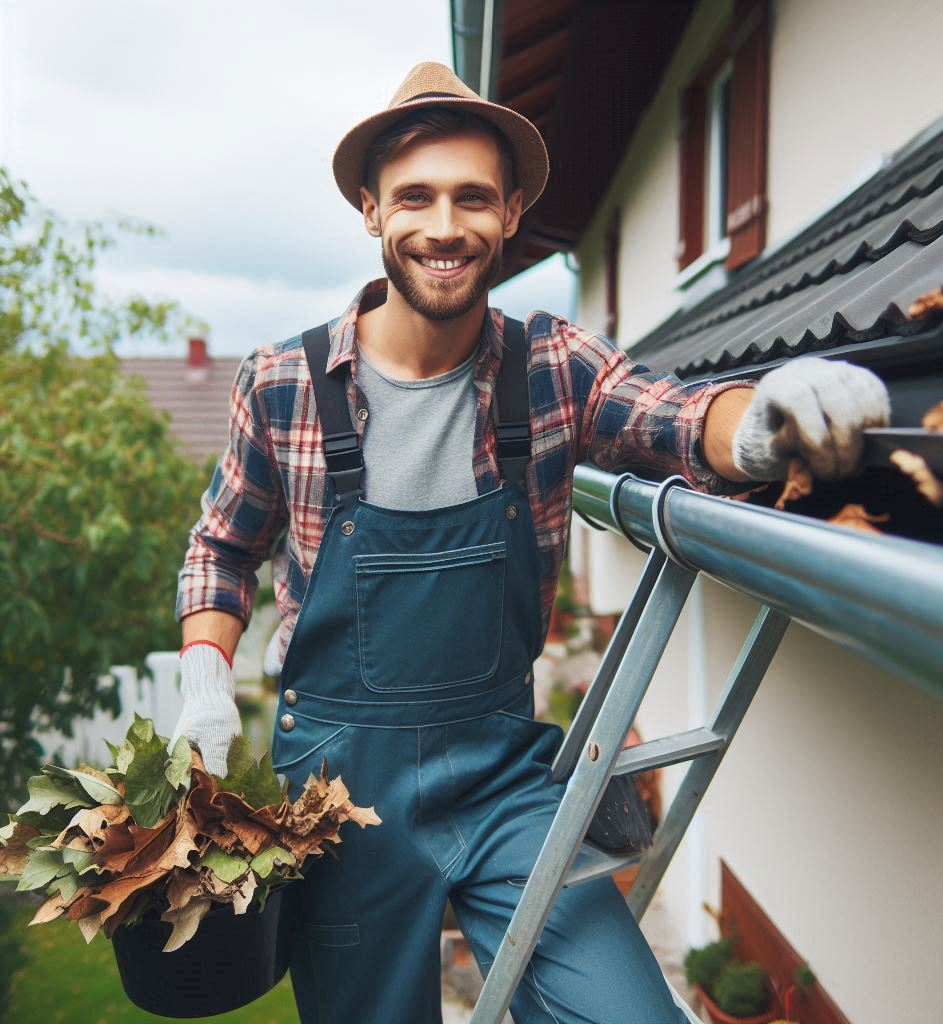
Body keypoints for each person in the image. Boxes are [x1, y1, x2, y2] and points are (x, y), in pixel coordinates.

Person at [170, 61, 889, 1024]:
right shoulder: (283, 383)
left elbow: (676, 418)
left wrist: (763, 419)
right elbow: (222, 545)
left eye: (473, 197)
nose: (444, 226)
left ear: (509, 213)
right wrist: (206, 677)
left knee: (630, 1013)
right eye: (415, 197)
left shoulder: (551, 365)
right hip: (338, 798)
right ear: (371, 212)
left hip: (505, 775)